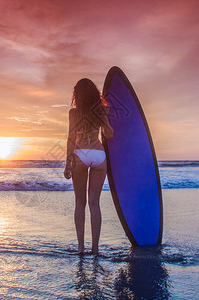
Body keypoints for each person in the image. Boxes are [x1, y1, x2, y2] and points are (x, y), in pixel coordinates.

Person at [64, 78, 113, 255]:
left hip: (80, 154)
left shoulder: (74, 113)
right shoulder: (101, 111)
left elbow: (70, 138)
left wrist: (67, 163)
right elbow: (110, 133)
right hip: (99, 155)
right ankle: (95, 249)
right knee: (94, 204)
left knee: (80, 203)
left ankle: (80, 248)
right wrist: (104, 115)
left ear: (77, 95)